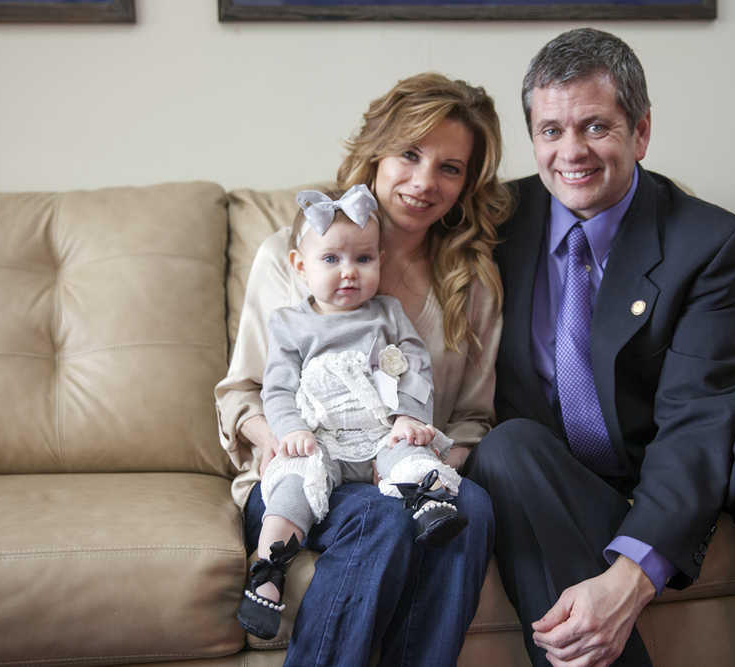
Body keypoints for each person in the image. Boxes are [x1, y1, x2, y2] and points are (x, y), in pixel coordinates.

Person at [466, 28, 735, 667]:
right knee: (506, 447)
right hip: (554, 481)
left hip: (679, 469)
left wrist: (634, 572)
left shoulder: (712, 243)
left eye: (596, 127)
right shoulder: (490, 223)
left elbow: (699, 414)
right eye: (550, 131)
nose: (571, 152)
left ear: (641, 131)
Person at [215, 72, 513, 666]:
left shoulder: (471, 281)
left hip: (403, 465)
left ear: (466, 184)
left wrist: (416, 457)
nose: (425, 182)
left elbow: (476, 416)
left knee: (469, 507)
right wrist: (286, 443)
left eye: (450, 168)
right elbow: (241, 393)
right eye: (409, 154)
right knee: (381, 515)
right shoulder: (292, 255)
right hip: (300, 475)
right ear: (376, 150)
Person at [238, 184, 469, 640]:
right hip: (319, 440)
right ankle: (268, 569)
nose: (349, 272)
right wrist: (290, 431)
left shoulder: (387, 312)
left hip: (376, 433)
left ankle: (426, 503)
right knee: (293, 483)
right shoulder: (290, 323)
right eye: (331, 260)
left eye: (364, 259)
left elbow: (415, 363)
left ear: (380, 261)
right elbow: (277, 389)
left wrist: (408, 416)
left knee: (407, 452)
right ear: (300, 267)